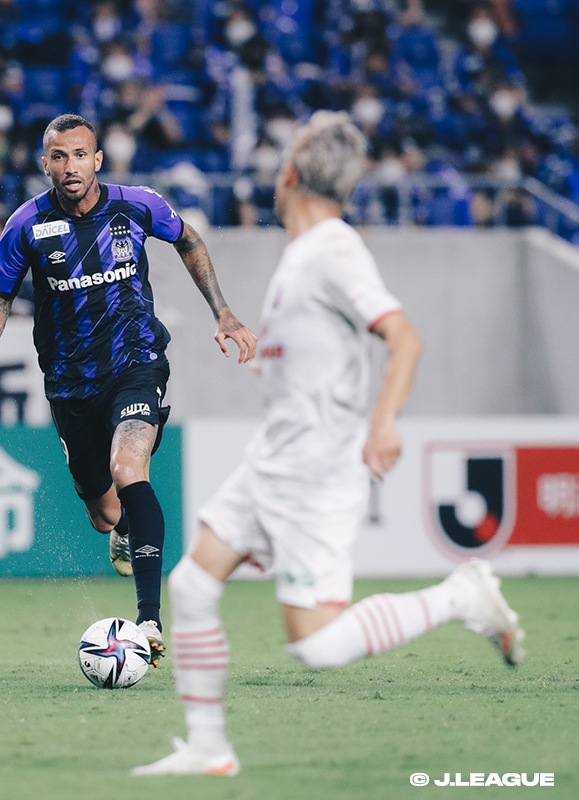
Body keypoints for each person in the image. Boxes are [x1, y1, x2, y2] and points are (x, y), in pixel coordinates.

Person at [131, 112, 525, 778]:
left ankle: (461, 596)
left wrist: (385, 422)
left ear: (287, 177)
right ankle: (207, 748)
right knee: (193, 584)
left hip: (315, 468)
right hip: (273, 460)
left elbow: (404, 337)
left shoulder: (334, 249)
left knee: (314, 647)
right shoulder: (304, 254)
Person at [0, 113, 258, 666]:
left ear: (98, 160)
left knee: (128, 468)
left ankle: (150, 620)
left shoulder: (137, 205)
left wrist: (223, 311)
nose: (69, 167)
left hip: (136, 363)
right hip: (70, 385)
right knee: (104, 513)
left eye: (79, 155)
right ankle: (122, 528)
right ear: (45, 164)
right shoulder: (27, 225)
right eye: (58, 157)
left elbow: (189, 240)